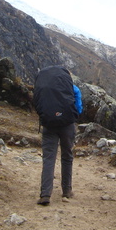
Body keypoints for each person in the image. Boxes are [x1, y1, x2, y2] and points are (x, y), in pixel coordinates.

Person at [35, 66, 83, 206]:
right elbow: (79, 108)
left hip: (49, 125)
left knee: (48, 158)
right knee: (67, 156)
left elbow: (37, 103)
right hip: (67, 125)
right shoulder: (73, 89)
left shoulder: (45, 89)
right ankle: (66, 191)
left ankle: (45, 194)